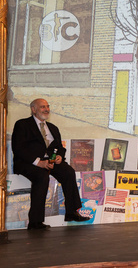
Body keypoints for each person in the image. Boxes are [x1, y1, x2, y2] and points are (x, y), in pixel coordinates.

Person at [11, 98, 90, 229]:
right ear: (33, 109)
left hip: (50, 161)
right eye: (42, 107)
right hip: (29, 163)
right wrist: (38, 162)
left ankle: (71, 212)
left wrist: (59, 156)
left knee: (68, 172)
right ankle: (35, 222)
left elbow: (60, 147)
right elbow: (18, 148)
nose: (46, 109)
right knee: (42, 177)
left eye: (47, 106)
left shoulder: (52, 128)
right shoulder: (22, 124)